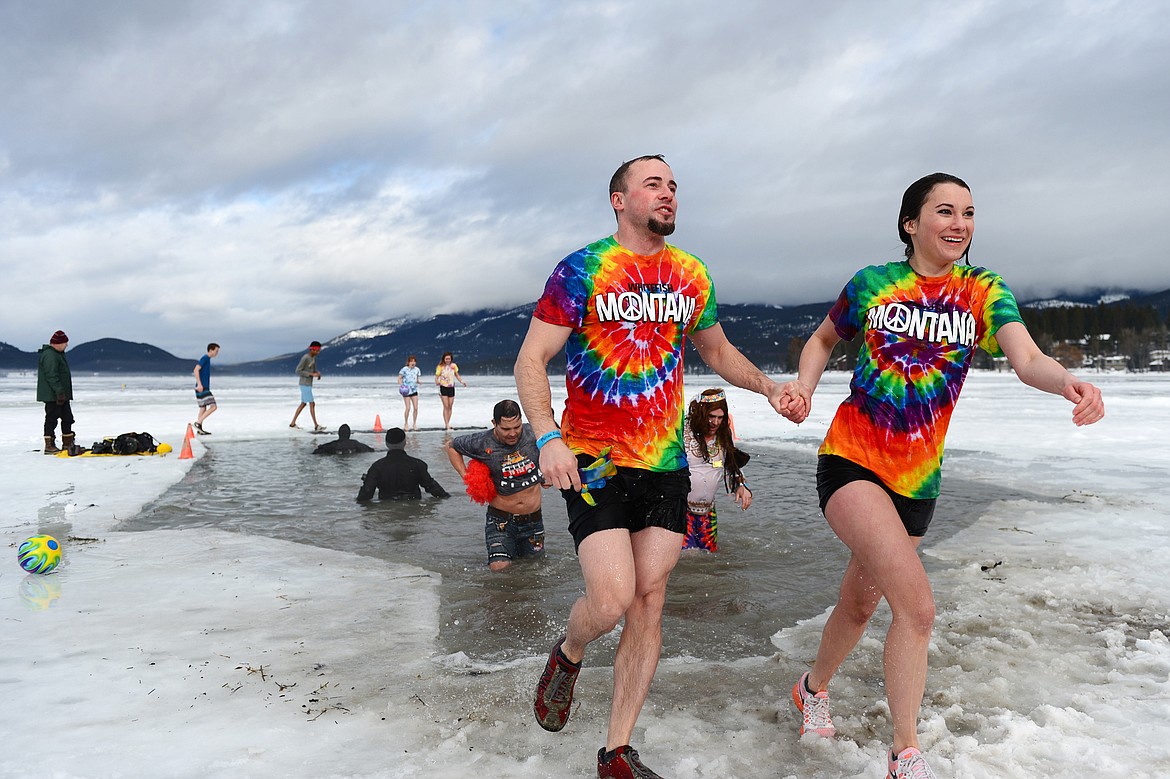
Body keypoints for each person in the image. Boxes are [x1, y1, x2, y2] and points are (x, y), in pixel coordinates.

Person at [778, 172, 1105, 779]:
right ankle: (906, 754)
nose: (960, 224)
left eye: (970, 213)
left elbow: (1026, 357)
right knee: (918, 607)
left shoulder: (983, 290)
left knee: (859, 604)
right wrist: (802, 386)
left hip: (918, 481)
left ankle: (811, 686)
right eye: (946, 211)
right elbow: (823, 339)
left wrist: (1067, 382)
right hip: (852, 460)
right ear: (911, 223)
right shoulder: (874, 284)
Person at [514, 154, 797, 779]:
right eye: (653, 185)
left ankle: (615, 751)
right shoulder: (583, 268)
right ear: (619, 200)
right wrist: (545, 437)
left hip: (665, 460)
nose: (668, 194)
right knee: (611, 597)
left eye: (673, 186)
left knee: (648, 600)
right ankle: (569, 650)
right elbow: (531, 358)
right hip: (592, 460)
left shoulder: (691, 275)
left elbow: (717, 350)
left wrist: (768, 387)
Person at [446, 399, 545, 572]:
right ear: (494, 423)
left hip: (533, 521)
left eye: (517, 427)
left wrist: (547, 473)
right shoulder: (481, 442)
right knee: (500, 569)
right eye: (506, 429)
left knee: (534, 571)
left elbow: (555, 446)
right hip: (501, 521)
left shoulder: (534, 432)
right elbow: (451, 447)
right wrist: (467, 477)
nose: (513, 433)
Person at [681, 389, 752, 553]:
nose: (715, 422)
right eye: (711, 417)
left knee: (709, 562)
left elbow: (731, 465)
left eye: (720, 418)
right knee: (685, 561)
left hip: (708, 514)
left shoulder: (723, 435)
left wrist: (741, 485)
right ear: (700, 414)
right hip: (681, 511)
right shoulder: (682, 432)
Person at [356, 427, 450, 501]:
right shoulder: (418, 465)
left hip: (387, 508)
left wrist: (367, 480)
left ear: (386, 444)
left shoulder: (377, 467)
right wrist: (447, 496)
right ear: (405, 442)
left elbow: (365, 496)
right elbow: (434, 489)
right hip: (413, 509)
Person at [36, 330, 74, 455]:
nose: (66, 345)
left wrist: (62, 393)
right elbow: (51, 375)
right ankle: (49, 445)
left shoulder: (58, 354)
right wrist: (59, 392)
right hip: (53, 395)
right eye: (65, 343)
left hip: (61, 394)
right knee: (52, 419)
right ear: (57, 343)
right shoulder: (50, 355)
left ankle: (68, 443)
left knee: (67, 418)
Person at [290, 341, 325, 431]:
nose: (318, 352)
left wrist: (317, 373)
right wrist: (311, 374)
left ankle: (293, 423)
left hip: (308, 384)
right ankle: (316, 425)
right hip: (304, 383)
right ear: (312, 349)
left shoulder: (313, 358)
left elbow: (313, 370)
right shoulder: (305, 358)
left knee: (303, 404)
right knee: (312, 403)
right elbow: (298, 370)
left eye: (319, 350)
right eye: (317, 350)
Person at [192, 343, 220, 435]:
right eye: (216, 351)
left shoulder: (207, 359)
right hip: (202, 387)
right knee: (214, 406)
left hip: (202, 386)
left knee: (203, 408)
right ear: (211, 350)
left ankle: (199, 429)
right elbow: (196, 370)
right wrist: (200, 384)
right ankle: (198, 423)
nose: (217, 353)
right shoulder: (205, 358)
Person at [434, 351, 466, 430]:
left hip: (451, 387)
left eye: (449, 358)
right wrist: (437, 381)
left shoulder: (453, 366)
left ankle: (448, 422)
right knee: (446, 406)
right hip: (443, 387)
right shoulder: (440, 366)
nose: (448, 360)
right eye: (446, 359)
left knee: (450, 406)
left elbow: (457, 375)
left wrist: (462, 382)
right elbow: (437, 376)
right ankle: (446, 424)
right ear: (444, 359)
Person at [398, 355, 422, 431]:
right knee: (408, 408)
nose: (413, 363)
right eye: (411, 361)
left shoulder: (417, 370)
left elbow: (416, 379)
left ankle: (414, 424)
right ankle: (406, 423)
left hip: (414, 390)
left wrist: (419, 382)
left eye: (414, 361)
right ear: (408, 362)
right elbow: (399, 378)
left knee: (416, 408)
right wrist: (401, 385)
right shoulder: (404, 369)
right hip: (406, 391)